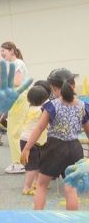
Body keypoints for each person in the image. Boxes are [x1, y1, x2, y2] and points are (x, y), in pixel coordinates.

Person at [21, 68, 89, 210]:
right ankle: (72, 220)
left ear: (53, 89)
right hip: (75, 148)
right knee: (71, 188)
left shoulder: (52, 105)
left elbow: (39, 128)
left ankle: (38, 218)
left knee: (41, 185)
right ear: (74, 85)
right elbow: (88, 129)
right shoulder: (83, 106)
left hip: (55, 148)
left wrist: (27, 148)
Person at [1, 41, 29, 174]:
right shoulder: (14, 64)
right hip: (17, 100)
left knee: (14, 132)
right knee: (15, 131)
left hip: (19, 100)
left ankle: (19, 163)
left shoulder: (17, 63)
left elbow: (17, 82)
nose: (2, 54)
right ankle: (20, 161)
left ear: (11, 50)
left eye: (3, 51)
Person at [19, 85, 49, 195]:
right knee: (32, 167)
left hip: (25, 139)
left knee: (36, 164)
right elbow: (45, 125)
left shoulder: (28, 109)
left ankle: (36, 183)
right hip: (32, 141)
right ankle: (26, 187)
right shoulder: (42, 110)